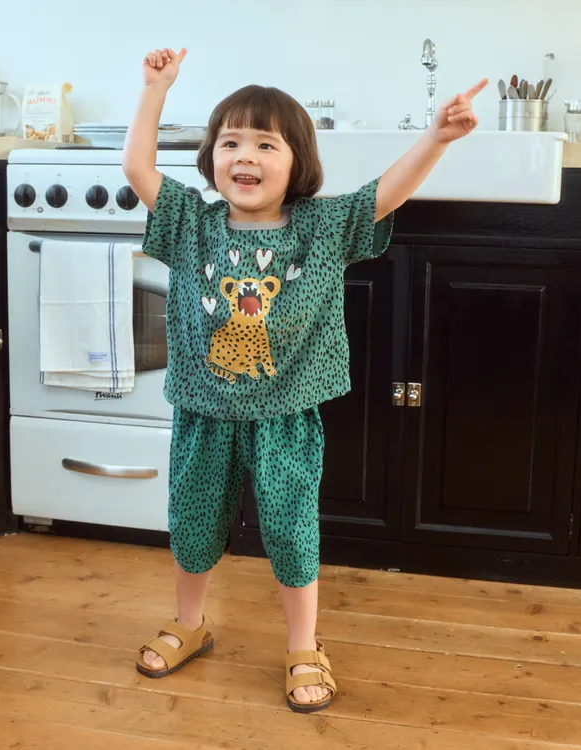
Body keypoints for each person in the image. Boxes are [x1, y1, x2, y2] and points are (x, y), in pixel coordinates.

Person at [122, 46, 487, 714]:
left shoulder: (322, 228)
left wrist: (435, 139)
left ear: (298, 164)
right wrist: (155, 90)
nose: (246, 156)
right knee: (192, 523)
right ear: (211, 158)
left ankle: (302, 645)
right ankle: (189, 623)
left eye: (267, 144)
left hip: (286, 416)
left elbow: (386, 193)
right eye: (231, 142)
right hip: (203, 413)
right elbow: (137, 169)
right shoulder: (189, 224)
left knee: (291, 532)